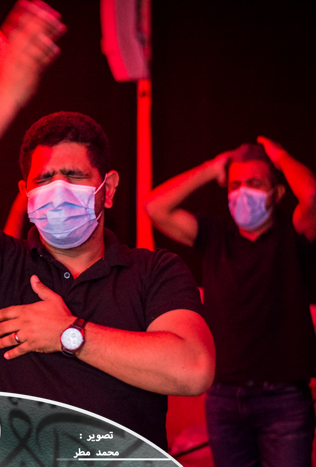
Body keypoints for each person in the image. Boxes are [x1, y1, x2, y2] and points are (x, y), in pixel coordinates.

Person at [0, 0, 215, 451]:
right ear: (26, 192)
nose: (58, 189)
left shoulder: (154, 271)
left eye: (73, 176)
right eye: (44, 179)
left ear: (108, 189)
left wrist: (70, 334)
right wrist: (3, 94)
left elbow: (193, 369)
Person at [144, 139, 316, 466]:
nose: (243, 192)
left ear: (277, 193)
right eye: (236, 184)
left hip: (284, 399)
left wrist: (280, 156)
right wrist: (212, 168)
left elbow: (311, 196)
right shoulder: (215, 236)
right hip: (223, 397)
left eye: (255, 183)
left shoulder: (293, 234)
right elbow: (155, 207)